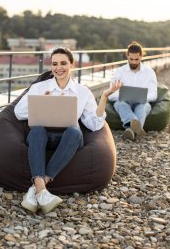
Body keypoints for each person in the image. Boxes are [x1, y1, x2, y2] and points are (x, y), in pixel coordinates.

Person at [14, 47, 122, 214]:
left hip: (68, 139)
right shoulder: (39, 87)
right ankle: (41, 190)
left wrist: (105, 97)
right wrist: (42, 102)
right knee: (36, 131)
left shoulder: (83, 92)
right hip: (42, 136)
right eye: (55, 64)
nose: (59, 68)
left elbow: (94, 124)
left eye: (63, 63)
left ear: (72, 64)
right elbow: (18, 113)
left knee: (75, 131)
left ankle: (37, 187)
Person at [108, 41, 158, 141]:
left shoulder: (149, 72)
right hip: (124, 102)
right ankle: (136, 127)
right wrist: (123, 96)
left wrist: (141, 98)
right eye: (131, 59)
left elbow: (154, 94)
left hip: (142, 103)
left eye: (137, 59)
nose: (134, 62)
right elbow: (111, 94)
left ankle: (130, 130)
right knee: (121, 104)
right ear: (127, 56)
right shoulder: (119, 72)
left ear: (141, 56)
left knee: (143, 107)